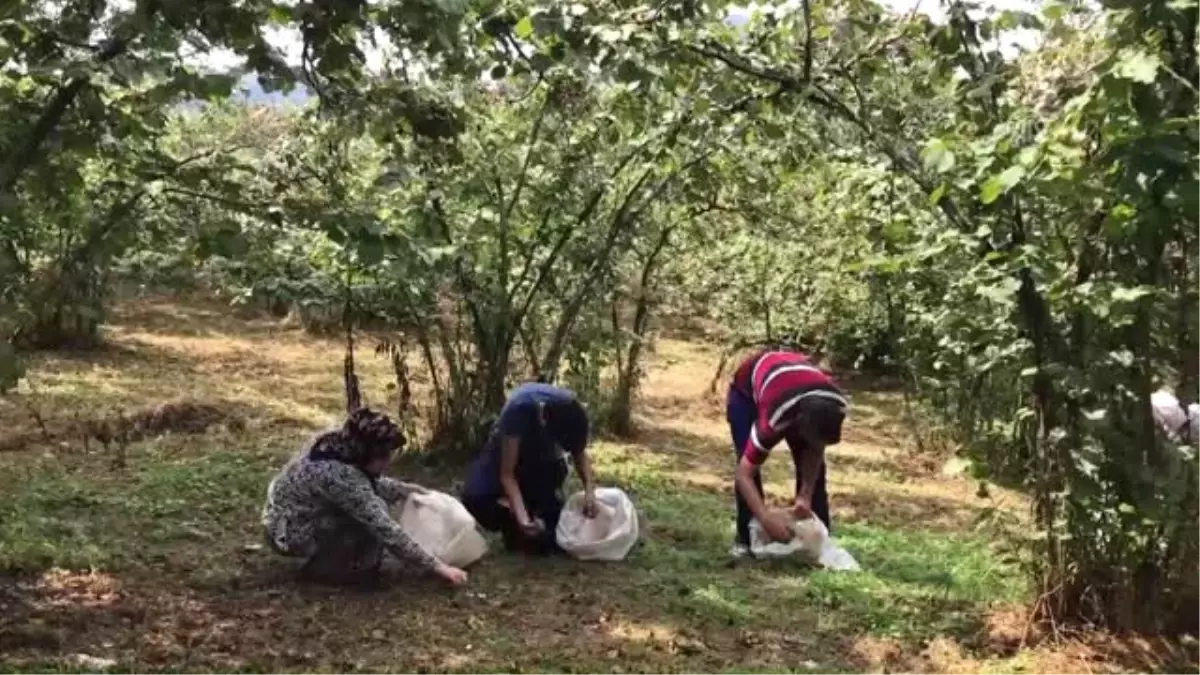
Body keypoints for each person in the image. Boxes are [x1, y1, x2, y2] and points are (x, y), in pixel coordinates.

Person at [262, 407, 468, 587]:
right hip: (289, 531)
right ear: (365, 454)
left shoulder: (335, 446)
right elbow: (385, 527)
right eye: (383, 456)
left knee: (370, 510)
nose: (388, 462)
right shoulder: (340, 475)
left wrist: (403, 489)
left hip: (285, 517)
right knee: (371, 518)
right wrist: (439, 567)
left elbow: (364, 482)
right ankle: (330, 570)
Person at [726, 348, 848, 558]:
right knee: (749, 467)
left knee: (814, 471)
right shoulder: (774, 420)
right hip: (746, 393)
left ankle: (817, 542)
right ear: (799, 424)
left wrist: (805, 494)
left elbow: (816, 448)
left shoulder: (835, 403)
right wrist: (765, 518)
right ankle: (746, 540)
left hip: (796, 392)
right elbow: (744, 473)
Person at [461, 382, 598, 554]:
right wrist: (523, 519)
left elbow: (578, 451)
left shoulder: (571, 408)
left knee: (547, 533)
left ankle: (540, 516)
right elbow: (507, 474)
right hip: (503, 456)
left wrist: (589, 491)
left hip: (544, 465)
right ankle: (517, 521)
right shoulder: (518, 411)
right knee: (475, 496)